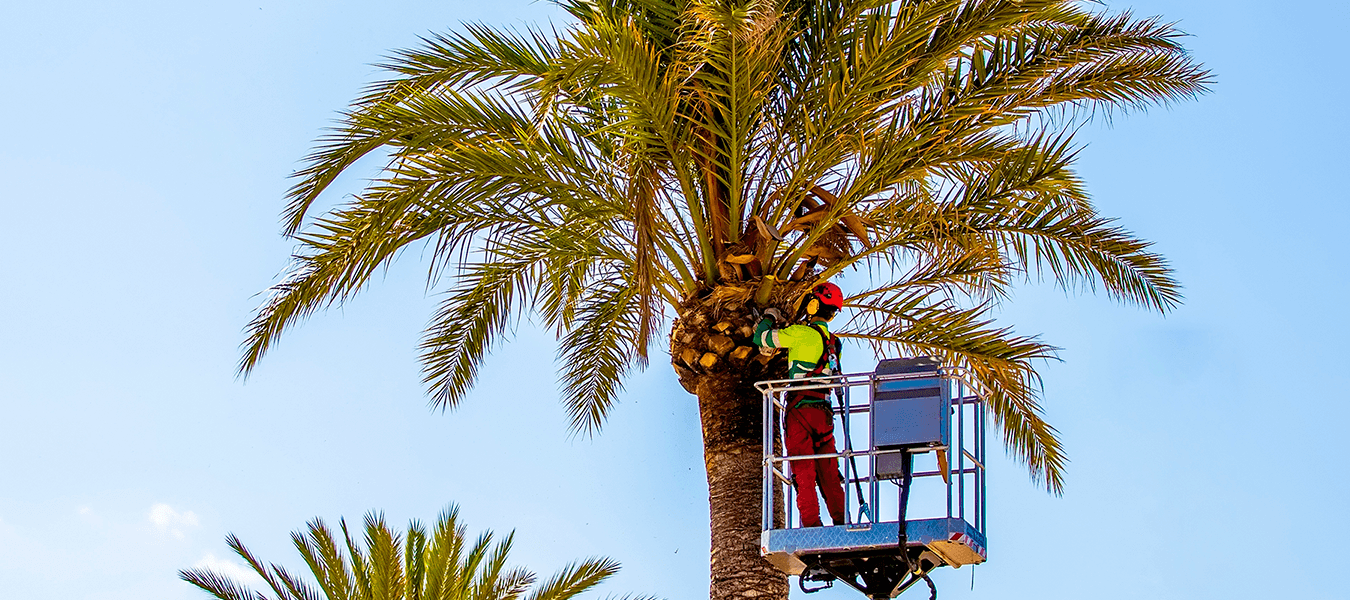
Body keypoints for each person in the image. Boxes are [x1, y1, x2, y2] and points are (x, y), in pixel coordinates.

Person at [753, 281, 847, 528]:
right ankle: (841, 522)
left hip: (800, 411)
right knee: (829, 472)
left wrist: (769, 317)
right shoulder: (835, 343)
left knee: (803, 471)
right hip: (824, 413)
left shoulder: (801, 333)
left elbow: (761, 338)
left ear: (813, 305)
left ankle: (812, 524)